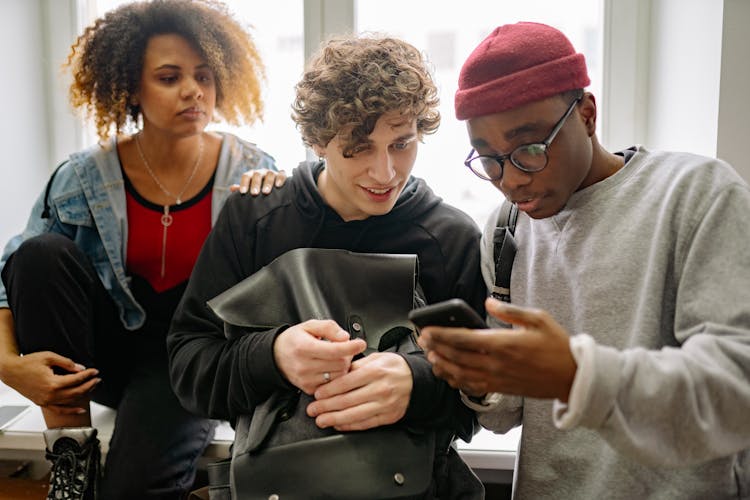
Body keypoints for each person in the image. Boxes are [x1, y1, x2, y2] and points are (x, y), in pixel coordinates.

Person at [417, 21, 750, 499]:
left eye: (530, 148)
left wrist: (578, 376)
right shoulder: (504, 230)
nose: (510, 179)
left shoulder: (697, 195)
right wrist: (479, 380)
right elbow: (504, 415)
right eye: (488, 158)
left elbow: (737, 393)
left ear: (588, 115)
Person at [167, 33, 487, 498]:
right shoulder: (255, 219)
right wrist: (273, 355)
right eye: (358, 148)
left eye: (402, 144)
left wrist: (418, 383)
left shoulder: (451, 238)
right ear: (318, 140)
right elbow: (188, 367)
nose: (385, 173)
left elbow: (484, 398)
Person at [0, 1, 286, 498]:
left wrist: (283, 203)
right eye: (170, 77)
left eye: (204, 75)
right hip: (98, 364)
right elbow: (10, 284)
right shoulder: (81, 179)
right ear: (131, 87)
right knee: (40, 254)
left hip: (189, 363)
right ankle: (71, 459)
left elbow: (287, 287)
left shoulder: (252, 174)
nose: (193, 90)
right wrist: (7, 365)